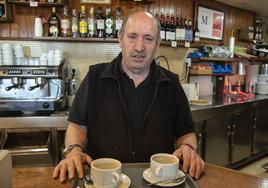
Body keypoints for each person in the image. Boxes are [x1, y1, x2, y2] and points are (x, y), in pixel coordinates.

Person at [53, 11, 205, 183]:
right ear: (120, 39)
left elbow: (185, 132)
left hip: (159, 182)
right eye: (132, 36)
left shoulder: (171, 83)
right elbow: (77, 126)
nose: (139, 47)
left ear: (157, 44)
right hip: (104, 182)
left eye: (148, 38)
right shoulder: (95, 77)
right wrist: (74, 151)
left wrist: (188, 148)